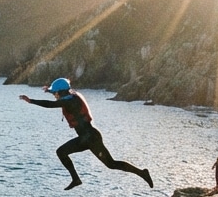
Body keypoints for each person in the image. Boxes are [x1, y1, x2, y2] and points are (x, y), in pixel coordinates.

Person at [19, 78, 153, 190]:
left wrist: (31, 101)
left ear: (61, 92)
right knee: (108, 163)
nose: (55, 95)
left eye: (55, 93)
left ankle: (142, 173)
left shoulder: (71, 101)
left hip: (90, 138)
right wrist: (49, 90)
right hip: (88, 137)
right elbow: (59, 97)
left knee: (110, 163)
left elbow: (50, 104)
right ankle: (76, 179)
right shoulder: (70, 97)